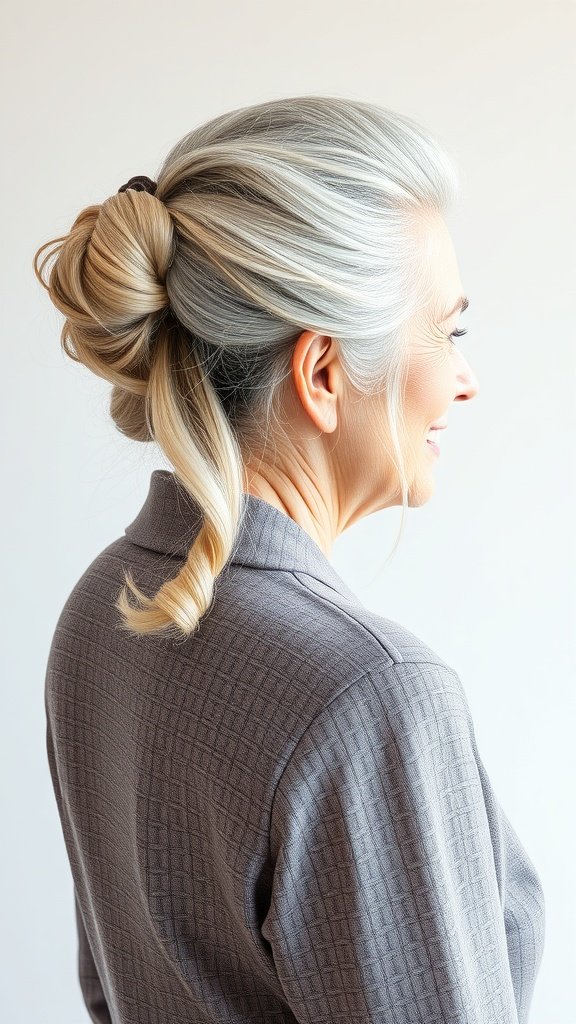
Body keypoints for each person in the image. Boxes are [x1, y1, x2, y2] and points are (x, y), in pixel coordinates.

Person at [34, 95, 545, 1023]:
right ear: (322, 374)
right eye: (449, 332)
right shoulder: (370, 694)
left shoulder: (104, 604)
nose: (464, 381)